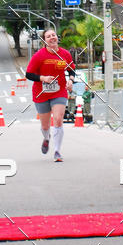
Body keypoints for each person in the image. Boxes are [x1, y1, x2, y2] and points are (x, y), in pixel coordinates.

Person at [26, 29, 75, 162]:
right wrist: (43, 78)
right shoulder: (39, 56)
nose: (52, 38)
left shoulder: (65, 54)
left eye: (53, 35)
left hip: (59, 91)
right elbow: (28, 74)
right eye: (48, 36)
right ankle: (46, 138)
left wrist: (70, 80)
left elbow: (71, 70)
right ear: (44, 40)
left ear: (57, 37)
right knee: (45, 126)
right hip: (41, 93)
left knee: (58, 119)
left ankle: (57, 151)